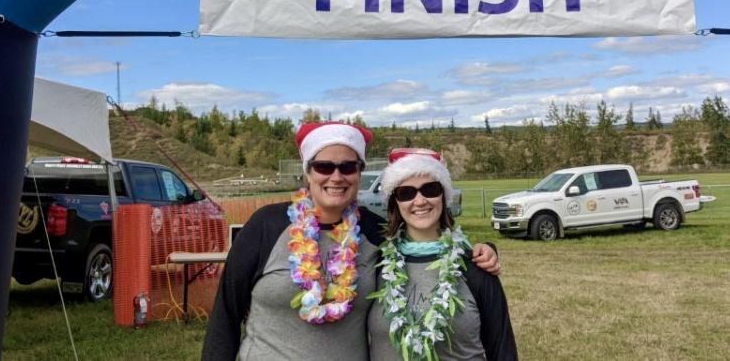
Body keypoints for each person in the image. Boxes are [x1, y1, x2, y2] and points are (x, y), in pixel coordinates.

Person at [202, 122, 501, 360]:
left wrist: (484, 249)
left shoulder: (373, 231)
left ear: (359, 172)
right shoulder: (266, 225)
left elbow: (424, 236)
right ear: (307, 171)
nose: (336, 176)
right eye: (324, 166)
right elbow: (225, 315)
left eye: (347, 167)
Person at [368, 149, 518, 361]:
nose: (419, 201)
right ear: (395, 202)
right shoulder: (377, 264)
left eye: (430, 189)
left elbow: (502, 351)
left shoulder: (475, 267)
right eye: (406, 193)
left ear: (444, 195)